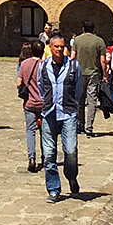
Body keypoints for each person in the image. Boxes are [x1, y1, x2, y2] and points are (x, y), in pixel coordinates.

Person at [39, 34, 83, 202]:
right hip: (49, 112)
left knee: (70, 151)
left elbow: (78, 88)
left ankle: (71, 176)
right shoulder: (43, 67)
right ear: (50, 48)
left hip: (68, 113)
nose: (58, 49)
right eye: (55, 46)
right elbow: (40, 87)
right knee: (49, 154)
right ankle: (54, 189)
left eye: (61, 46)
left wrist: (72, 103)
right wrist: (47, 102)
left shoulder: (73, 66)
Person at [72, 20, 108, 138]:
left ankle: (80, 125)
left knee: (79, 101)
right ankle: (89, 127)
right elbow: (102, 60)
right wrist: (105, 74)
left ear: (83, 29)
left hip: (79, 73)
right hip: (94, 73)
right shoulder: (99, 41)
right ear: (94, 29)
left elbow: (72, 57)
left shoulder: (77, 40)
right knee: (92, 101)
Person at [18, 40, 45, 172]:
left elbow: (18, 83)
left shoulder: (24, 64)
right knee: (45, 131)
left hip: (29, 103)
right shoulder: (45, 65)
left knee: (30, 130)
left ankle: (31, 158)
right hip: (44, 104)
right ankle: (45, 156)